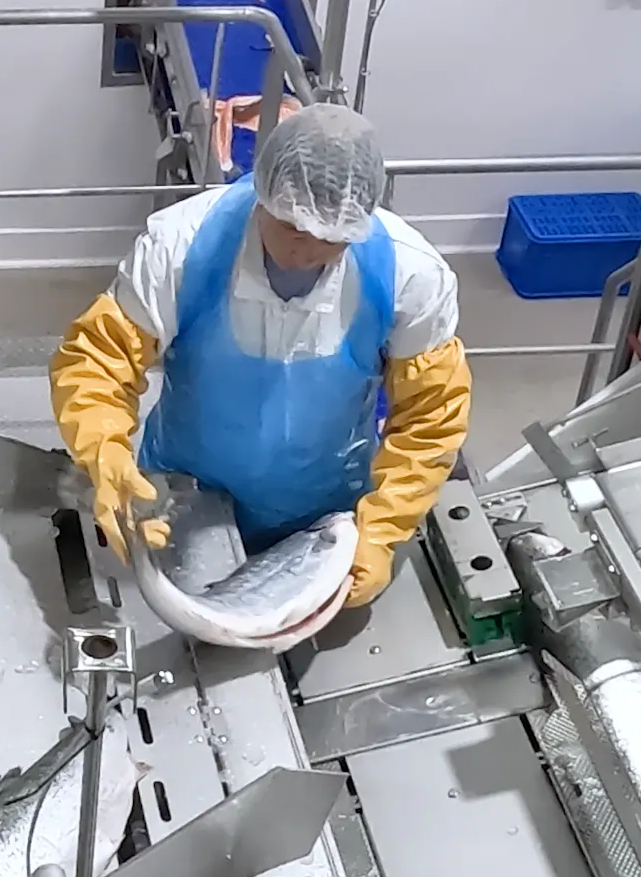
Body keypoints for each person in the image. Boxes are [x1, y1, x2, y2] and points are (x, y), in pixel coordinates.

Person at [50, 103, 471, 612]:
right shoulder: (182, 245)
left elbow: (431, 416)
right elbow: (99, 358)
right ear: (263, 195)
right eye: (292, 227)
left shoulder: (409, 275)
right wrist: (105, 454)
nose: (307, 250)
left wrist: (381, 530)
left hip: (323, 513)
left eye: (330, 238)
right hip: (183, 497)